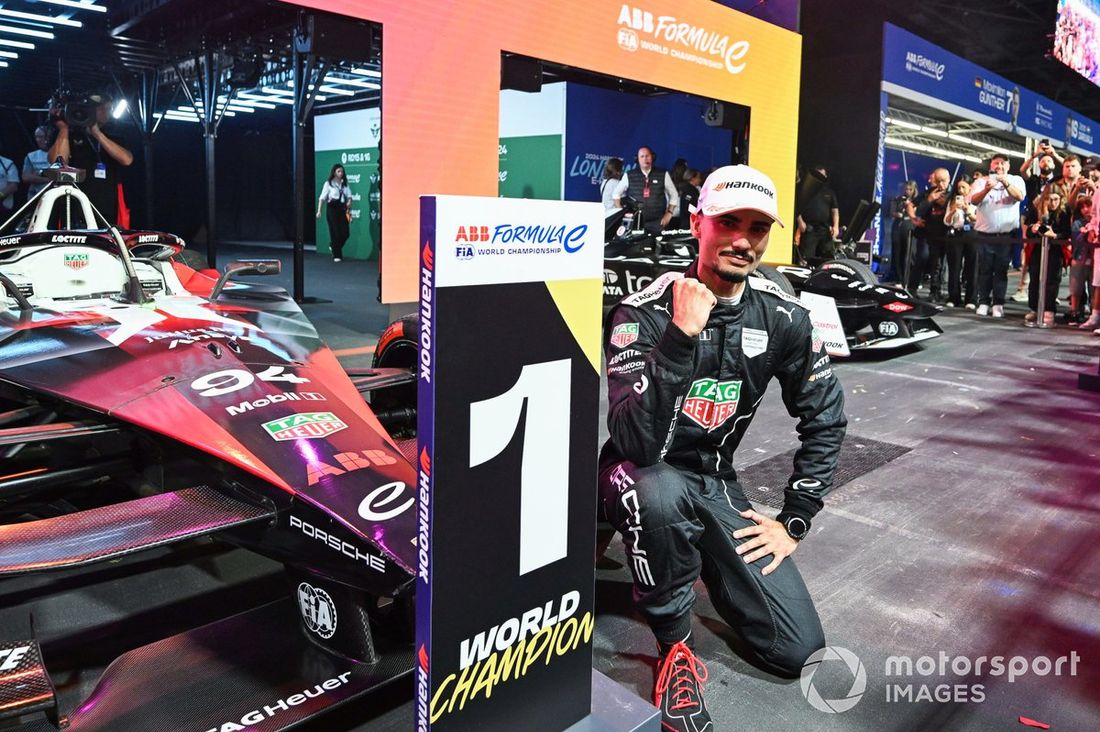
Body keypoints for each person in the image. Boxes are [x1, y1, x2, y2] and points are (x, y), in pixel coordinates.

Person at [599, 164, 846, 732]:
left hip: (714, 481)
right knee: (655, 489)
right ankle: (675, 650)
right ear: (697, 223)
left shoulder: (784, 316)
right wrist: (681, 337)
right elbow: (635, 441)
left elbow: (826, 419)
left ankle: (693, 550)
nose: (742, 239)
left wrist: (794, 520)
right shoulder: (642, 312)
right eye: (728, 221)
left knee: (795, 649)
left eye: (757, 227)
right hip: (635, 470)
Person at [47, 91, 133, 224]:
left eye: (109, 108)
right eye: (101, 108)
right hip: (74, 206)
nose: (106, 112)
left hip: (107, 209)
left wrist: (97, 133)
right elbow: (57, 162)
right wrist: (64, 129)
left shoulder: (115, 136)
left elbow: (126, 160)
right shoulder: (67, 134)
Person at [970, 153, 1025, 317]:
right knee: (984, 270)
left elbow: (1020, 196)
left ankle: (998, 303)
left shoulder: (1016, 180)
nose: (999, 166)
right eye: (996, 163)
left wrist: (1005, 183)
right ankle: (983, 302)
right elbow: (973, 201)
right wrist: (987, 189)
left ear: (1008, 166)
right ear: (991, 166)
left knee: (1001, 270)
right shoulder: (980, 181)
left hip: (1006, 235)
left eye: (1002, 163)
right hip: (984, 234)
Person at [1024, 190, 1071, 325]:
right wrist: (1033, 228)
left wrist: (1055, 235)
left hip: (1056, 250)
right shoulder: (1037, 210)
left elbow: (1067, 232)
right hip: (1037, 249)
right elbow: (1028, 229)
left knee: (1052, 280)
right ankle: (1034, 308)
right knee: (1034, 279)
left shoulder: (1064, 212)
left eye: (1056, 199)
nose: (1053, 203)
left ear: (1061, 199)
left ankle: (1049, 309)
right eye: (1049, 199)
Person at [613, 146, 679, 236]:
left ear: (652, 157)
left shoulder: (663, 174)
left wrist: (669, 213)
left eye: (647, 156)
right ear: (637, 159)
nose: (645, 159)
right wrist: (622, 214)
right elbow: (616, 194)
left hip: (658, 223)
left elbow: (674, 194)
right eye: (642, 156)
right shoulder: (629, 175)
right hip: (635, 223)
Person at [914, 168, 951, 302]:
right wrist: (930, 200)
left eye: (944, 181)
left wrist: (946, 203)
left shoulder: (953, 193)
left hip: (950, 234)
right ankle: (934, 292)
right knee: (935, 265)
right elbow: (919, 211)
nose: (941, 184)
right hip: (932, 234)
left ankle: (952, 294)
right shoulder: (930, 192)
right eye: (938, 181)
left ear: (949, 180)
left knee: (949, 266)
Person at [944, 179, 978, 308]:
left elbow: (979, 220)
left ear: (970, 188)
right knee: (954, 267)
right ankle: (953, 297)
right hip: (956, 233)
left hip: (972, 233)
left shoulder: (977, 201)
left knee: (972, 267)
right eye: (959, 188)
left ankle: (971, 299)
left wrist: (968, 210)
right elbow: (946, 221)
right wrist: (953, 210)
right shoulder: (952, 201)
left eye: (964, 187)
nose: (961, 191)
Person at [795, 163, 839, 264]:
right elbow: (797, 205)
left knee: (829, 259)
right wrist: (800, 221)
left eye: (822, 176)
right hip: (810, 229)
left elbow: (835, 211)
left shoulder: (829, 192)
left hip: (825, 230)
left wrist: (836, 226)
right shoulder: (806, 189)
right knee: (806, 259)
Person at [315, 163, 352, 262]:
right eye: (338, 171)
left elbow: (349, 196)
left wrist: (349, 202)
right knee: (335, 232)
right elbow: (322, 198)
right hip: (332, 209)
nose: (341, 173)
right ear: (334, 173)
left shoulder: (345, 184)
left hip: (342, 209)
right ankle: (337, 255)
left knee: (345, 233)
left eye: (342, 171)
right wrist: (319, 211)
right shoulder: (328, 184)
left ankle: (334, 246)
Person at [887, 180, 919, 284]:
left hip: (910, 227)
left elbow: (918, 214)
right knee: (897, 252)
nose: (908, 191)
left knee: (910, 253)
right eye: (906, 189)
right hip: (898, 226)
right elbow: (891, 212)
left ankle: (910, 279)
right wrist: (897, 214)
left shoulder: (917, 201)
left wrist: (910, 206)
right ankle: (897, 277)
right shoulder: (897, 199)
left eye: (910, 189)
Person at [21, 126, 52, 200]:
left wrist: (37, 176)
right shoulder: (31, 156)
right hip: (36, 196)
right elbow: (26, 177)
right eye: (36, 137)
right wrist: (49, 179)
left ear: (49, 137)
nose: (38, 140)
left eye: (41, 137)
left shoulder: (60, 154)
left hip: (55, 195)